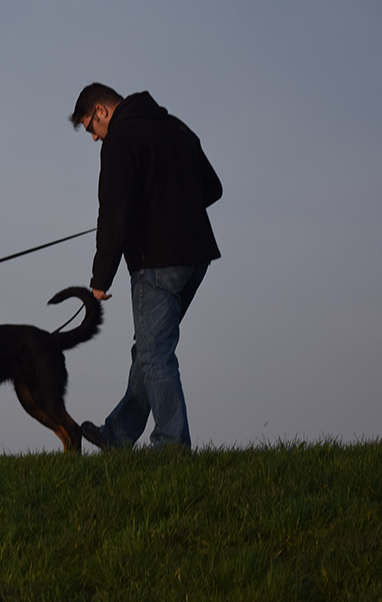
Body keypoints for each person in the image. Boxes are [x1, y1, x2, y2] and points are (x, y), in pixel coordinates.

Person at [70, 83, 222, 450]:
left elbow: (114, 214)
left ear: (102, 112)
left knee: (155, 354)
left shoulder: (120, 139)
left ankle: (171, 446)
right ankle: (118, 435)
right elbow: (212, 188)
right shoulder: (176, 128)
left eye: (90, 127)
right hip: (196, 257)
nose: (93, 138)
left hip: (156, 261)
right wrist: (173, 202)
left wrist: (99, 278)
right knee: (150, 348)